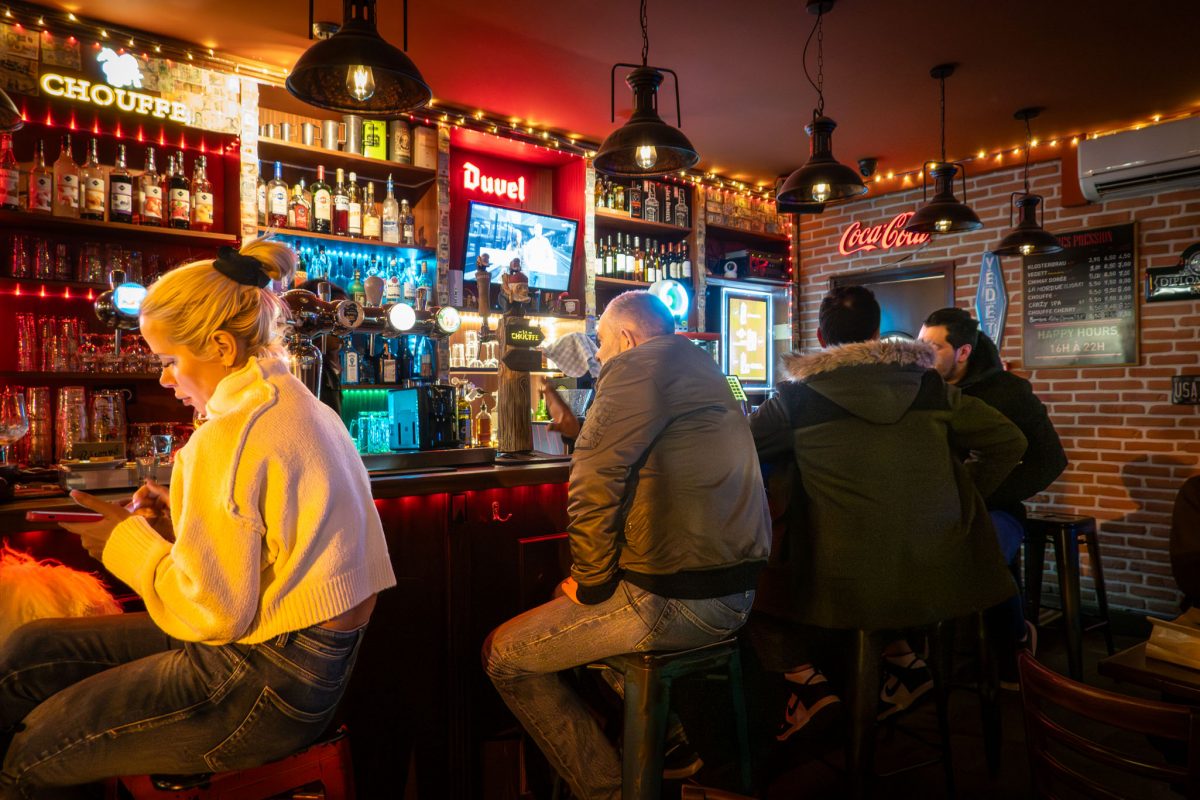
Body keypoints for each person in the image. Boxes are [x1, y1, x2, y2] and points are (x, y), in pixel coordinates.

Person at [0, 239, 396, 797]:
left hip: (261, 684)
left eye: (170, 361)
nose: (165, 380)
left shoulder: (229, 437)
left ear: (219, 346)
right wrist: (183, 515)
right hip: (310, 668)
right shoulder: (302, 406)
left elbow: (214, 613)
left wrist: (129, 543)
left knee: (30, 756)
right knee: (30, 652)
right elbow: (265, 551)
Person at [483, 291, 770, 799]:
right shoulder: (709, 370)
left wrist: (593, 584)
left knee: (505, 655)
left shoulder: (637, 367)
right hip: (737, 593)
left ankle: (609, 789)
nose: (598, 356)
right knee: (562, 604)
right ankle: (675, 744)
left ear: (629, 338)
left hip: (676, 599)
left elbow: (593, 482)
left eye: (601, 344)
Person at [748, 286, 1026, 735]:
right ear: (878, 333)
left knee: (754, 586)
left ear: (820, 336)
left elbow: (737, 448)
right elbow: (1010, 441)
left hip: (843, 579)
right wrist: (965, 495)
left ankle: (809, 685)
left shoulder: (796, 400)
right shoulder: (928, 387)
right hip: (938, 571)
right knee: (877, 563)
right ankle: (904, 661)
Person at [919, 307, 1067, 682]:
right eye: (919, 346)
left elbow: (1050, 459)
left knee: (985, 553)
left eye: (932, 348)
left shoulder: (1008, 392)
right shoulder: (919, 389)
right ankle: (918, 658)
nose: (922, 355)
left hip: (995, 506)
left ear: (963, 351)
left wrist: (991, 496)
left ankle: (1015, 641)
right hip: (933, 509)